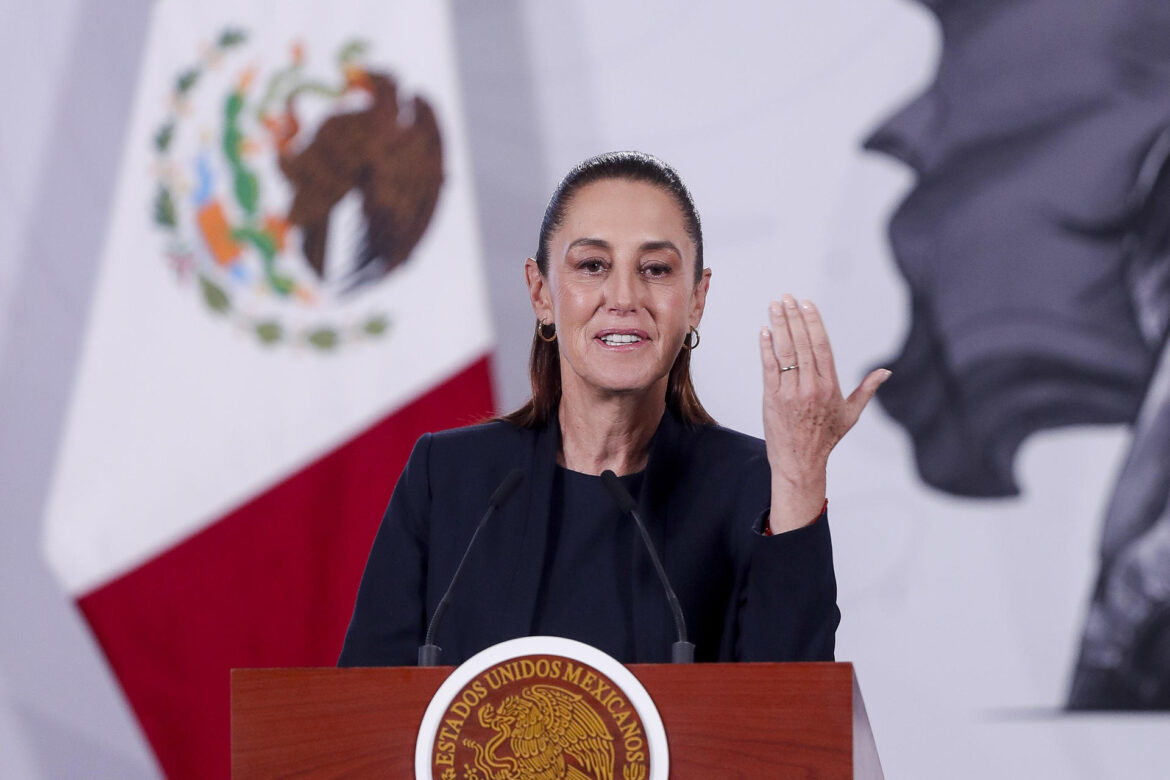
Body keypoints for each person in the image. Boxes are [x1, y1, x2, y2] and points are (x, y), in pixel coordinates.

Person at [338, 151, 888, 666]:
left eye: (656, 269)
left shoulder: (754, 487)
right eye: (593, 265)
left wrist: (798, 476)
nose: (624, 297)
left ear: (696, 299)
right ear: (541, 294)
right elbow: (358, 716)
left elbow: (790, 726)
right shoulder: (449, 478)